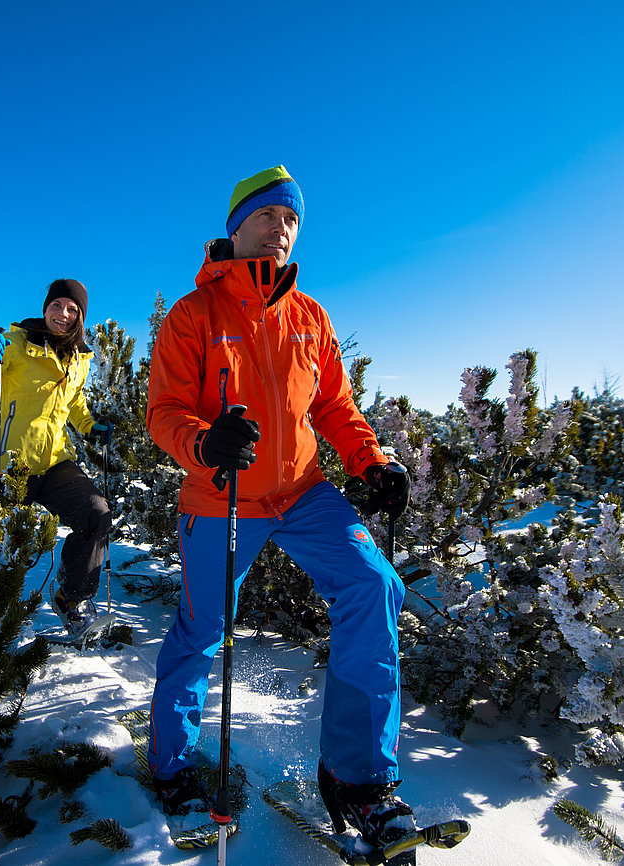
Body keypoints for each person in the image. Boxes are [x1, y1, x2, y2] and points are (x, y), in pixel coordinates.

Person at [144, 166, 414, 847]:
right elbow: (163, 413)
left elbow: (332, 405)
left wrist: (370, 461)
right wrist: (205, 442)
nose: (280, 229)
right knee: (203, 629)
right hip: (221, 496)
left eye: (290, 221)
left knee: (374, 585)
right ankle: (170, 764)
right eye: (268, 216)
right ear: (236, 227)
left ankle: (358, 778)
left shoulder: (309, 315)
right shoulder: (191, 315)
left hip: (301, 492)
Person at [0, 278, 113, 635]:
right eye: (56, 306)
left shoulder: (80, 358)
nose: (62, 315)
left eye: (72, 309)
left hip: (53, 462)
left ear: (81, 316)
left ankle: (72, 598)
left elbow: (74, 402)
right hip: (7, 462)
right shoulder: (17, 343)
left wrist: (89, 425)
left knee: (97, 513)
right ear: (45, 307)